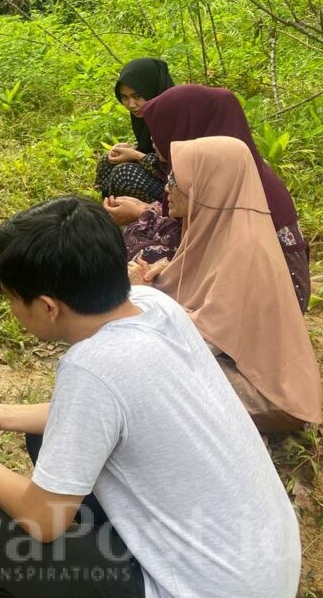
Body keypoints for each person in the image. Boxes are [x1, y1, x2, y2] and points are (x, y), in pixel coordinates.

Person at [0, 196, 300, 598]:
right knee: (44, 439)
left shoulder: (93, 364)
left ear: (49, 307)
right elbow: (108, 410)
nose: (12, 309)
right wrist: (2, 413)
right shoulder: (153, 307)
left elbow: (42, 521)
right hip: (255, 580)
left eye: (14, 299)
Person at [129, 136, 321, 433]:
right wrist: (160, 277)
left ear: (208, 185)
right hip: (242, 369)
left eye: (176, 180)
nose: (167, 189)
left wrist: (142, 294)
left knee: (148, 372)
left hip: (270, 398)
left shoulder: (245, 247)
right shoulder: (223, 224)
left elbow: (198, 343)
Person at [105, 84, 310, 312]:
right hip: (235, 282)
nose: (154, 141)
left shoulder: (238, 189)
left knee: (141, 258)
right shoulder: (230, 170)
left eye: (162, 131)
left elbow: (223, 267)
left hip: (267, 302)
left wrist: (164, 273)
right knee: (141, 241)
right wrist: (147, 210)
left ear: (189, 131)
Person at [94, 58, 174, 201]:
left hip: (179, 187)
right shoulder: (146, 114)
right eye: (124, 97)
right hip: (161, 174)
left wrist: (135, 155)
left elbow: (172, 166)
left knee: (124, 174)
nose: (131, 104)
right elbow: (150, 149)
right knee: (108, 160)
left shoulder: (172, 114)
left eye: (137, 96)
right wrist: (134, 149)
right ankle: (109, 210)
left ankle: (151, 216)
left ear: (152, 89)